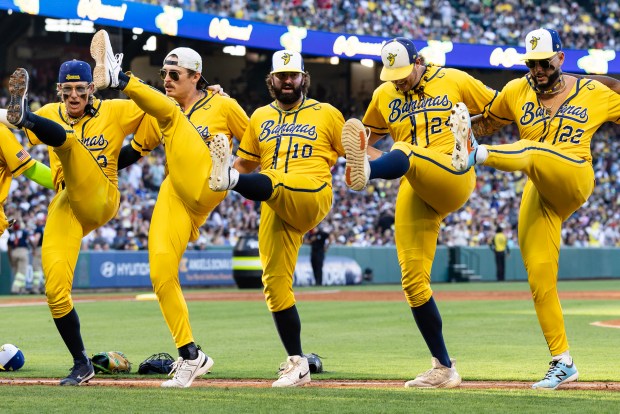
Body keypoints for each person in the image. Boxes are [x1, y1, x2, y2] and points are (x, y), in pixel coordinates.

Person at [451, 28, 620, 389]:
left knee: (531, 149)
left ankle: (478, 157)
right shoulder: (516, 90)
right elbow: (489, 123)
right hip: (540, 190)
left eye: (544, 62)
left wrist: (477, 150)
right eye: (532, 63)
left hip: (574, 175)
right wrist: (460, 129)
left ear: (560, 58)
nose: (538, 69)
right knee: (540, 279)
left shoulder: (593, 92)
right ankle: (563, 362)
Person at [90, 29, 246, 388]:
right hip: (174, 190)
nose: (167, 79)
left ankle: (119, 77)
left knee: (173, 116)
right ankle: (191, 355)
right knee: (161, 274)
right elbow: (134, 152)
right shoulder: (158, 109)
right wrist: (101, 166)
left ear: (197, 77)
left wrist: (245, 173)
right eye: (163, 74)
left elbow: (257, 141)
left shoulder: (223, 104)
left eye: (175, 75)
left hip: (209, 185)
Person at [341, 37, 497, 388]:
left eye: (402, 71)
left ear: (419, 61)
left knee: (405, 150)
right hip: (413, 182)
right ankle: (443, 367)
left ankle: (369, 173)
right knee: (413, 282)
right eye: (390, 74)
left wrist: (472, 133)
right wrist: (365, 157)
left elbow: (498, 111)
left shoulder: (455, 79)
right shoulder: (384, 95)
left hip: (453, 172)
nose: (397, 79)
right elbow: (364, 138)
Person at [5, 60, 151, 386]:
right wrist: (13, 117)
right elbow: (13, 134)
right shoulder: (50, 110)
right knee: (55, 290)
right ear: (59, 90)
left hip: (102, 196)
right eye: (67, 89)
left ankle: (25, 113)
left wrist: (141, 147)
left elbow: (158, 108)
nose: (73, 96)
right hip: (67, 200)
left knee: (68, 142)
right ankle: (81, 362)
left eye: (80, 89)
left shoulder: (115, 110)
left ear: (91, 89)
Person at [208, 50, 345, 387]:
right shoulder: (258, 117)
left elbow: (356, 154)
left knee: (276, 179)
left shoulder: (327, 113)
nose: (287, 81)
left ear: (304, 79)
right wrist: (222, 180)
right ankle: (297, 363)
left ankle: (229, 179)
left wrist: (369, 167)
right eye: (281, 76)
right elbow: (245, 166)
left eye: (293, 75)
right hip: (274, 202)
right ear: (271, 79)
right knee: (274, 285)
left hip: (311, 191)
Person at [8, 219, 31, 294]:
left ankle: (22, 289)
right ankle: (15, 289)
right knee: (21, 272)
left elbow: (9, 248)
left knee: (16, 272)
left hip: (14, 252)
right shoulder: (24, 232)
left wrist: (10, 258)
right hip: (22, 251)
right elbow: (29, 239)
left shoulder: (11, 235)